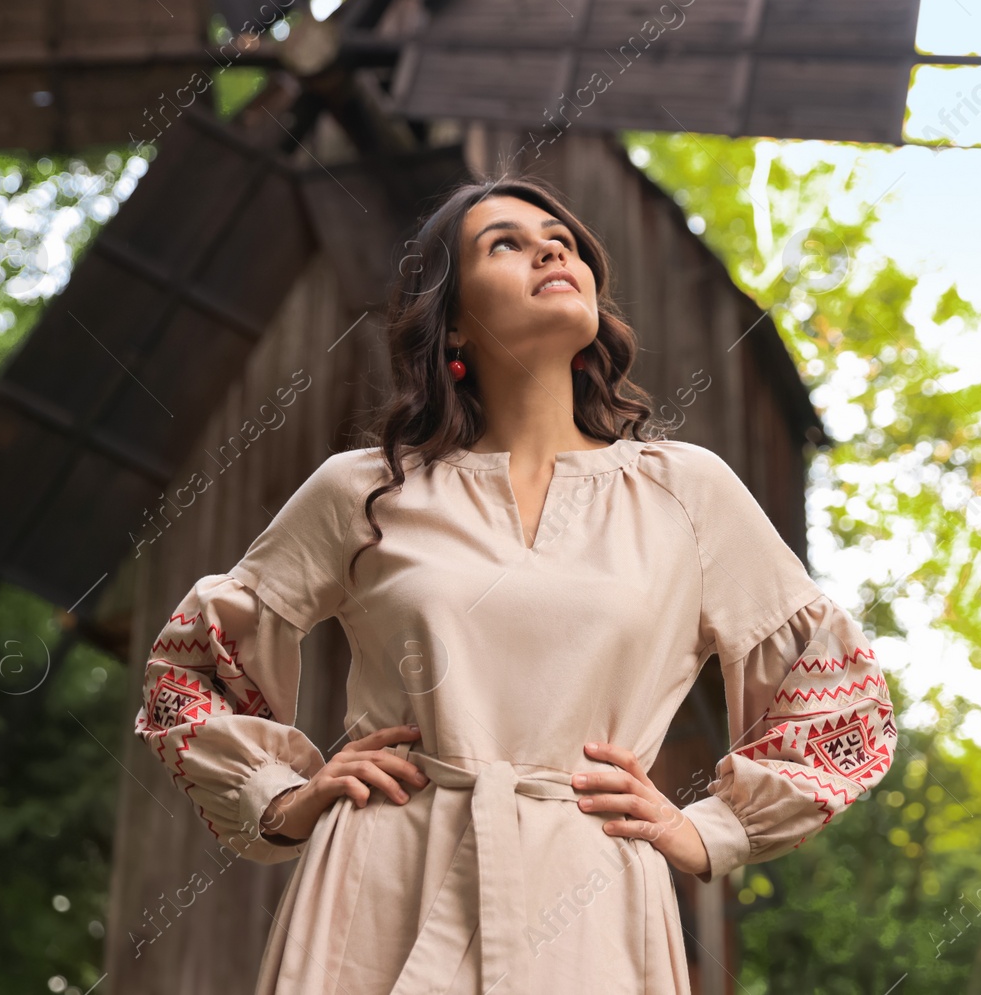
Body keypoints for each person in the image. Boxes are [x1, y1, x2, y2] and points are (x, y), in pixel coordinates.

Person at [131, 175, 899, 993]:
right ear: (452, 317)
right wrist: (280, 795)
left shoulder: (686, 490)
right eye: (505, 242)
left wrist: (710, 829)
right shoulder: (363, 489)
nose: (550, 246)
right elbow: (189, 669)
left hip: (593, 907)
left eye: (560, 237)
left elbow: (841, 696)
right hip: (377, 891)